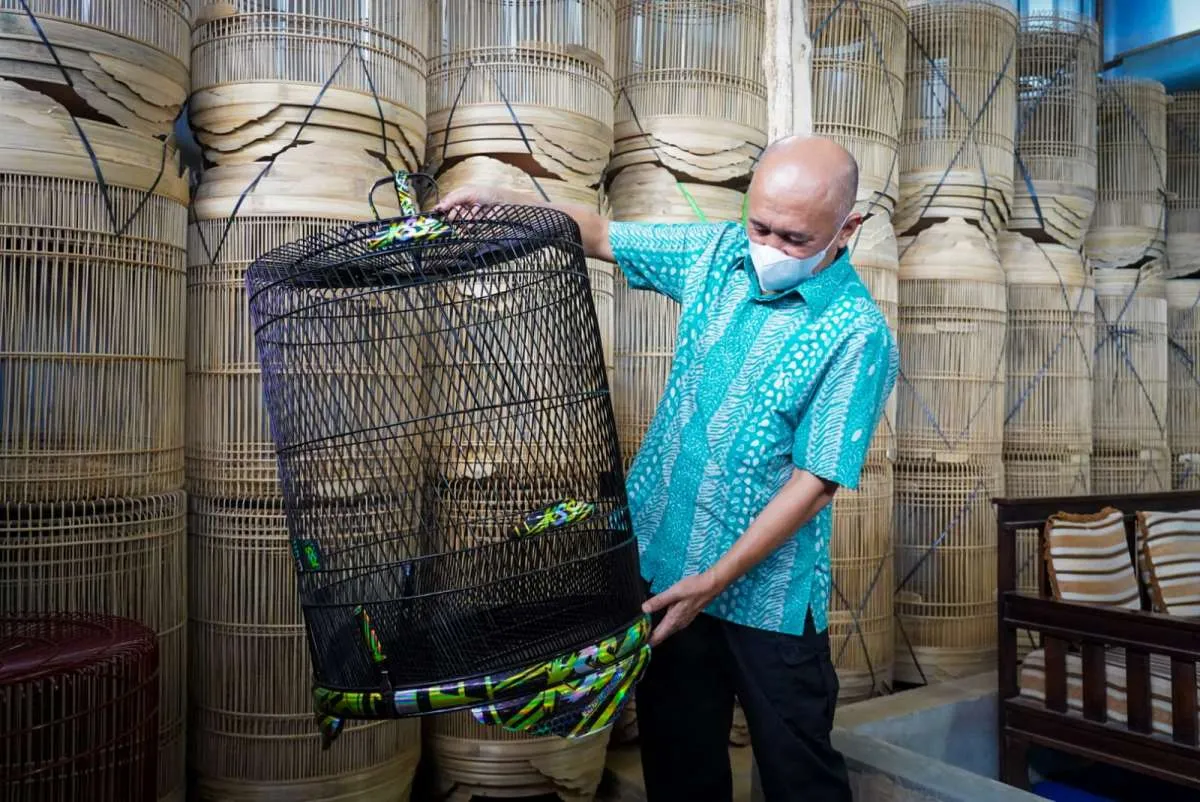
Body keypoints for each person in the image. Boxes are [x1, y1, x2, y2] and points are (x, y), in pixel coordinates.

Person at [435, 135, 899, 802]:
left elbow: (814, 481)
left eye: (794, 239)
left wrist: (714, 581)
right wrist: (506, 202)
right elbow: (599, 232)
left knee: (799, 770)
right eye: (759, 225)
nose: (768, 247)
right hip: (664, 568)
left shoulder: (856, 333)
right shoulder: (714, 256)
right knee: (679, 761)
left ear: (846, 228)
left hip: (766, 595)